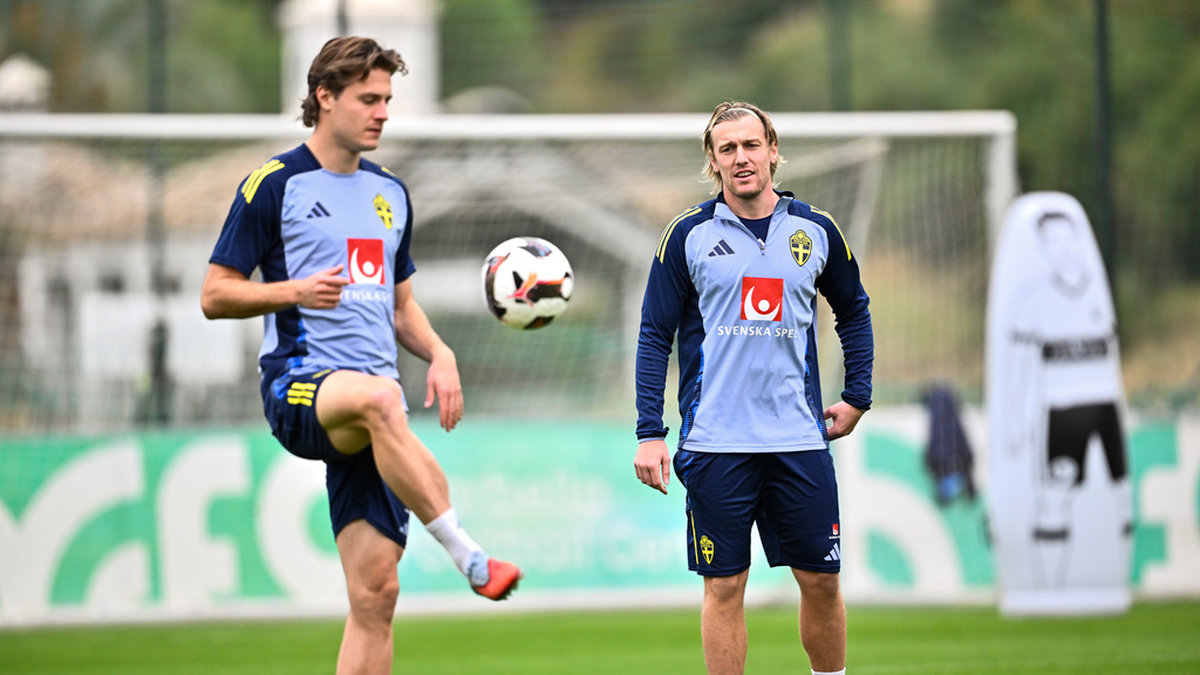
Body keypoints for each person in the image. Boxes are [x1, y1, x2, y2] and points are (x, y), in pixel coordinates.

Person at [200, 36, 521, 674]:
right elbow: (214, 294)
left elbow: (402, 307)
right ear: (325, 97)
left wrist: (440, 352)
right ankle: (468, 555)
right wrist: (292, 291)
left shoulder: (390, 193)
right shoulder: (274, 184)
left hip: (376, 416)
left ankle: (457, 553)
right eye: (368, 99)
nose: (382, 113)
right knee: (380, 399)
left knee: (376, 596)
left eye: (387, 100)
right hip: (299, 385)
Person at [634, 101, 874, 675]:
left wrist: (857, 395)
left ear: (772, 151)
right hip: (716, 442)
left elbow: (853, 310)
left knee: (821, 580)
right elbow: (654, 334)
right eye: (728, 149)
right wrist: (649, 431)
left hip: (799, 438)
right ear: (713, 161)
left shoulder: (815, 229)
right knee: (724, 587)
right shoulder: (687, 235)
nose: (741, 158)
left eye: (750, 145)